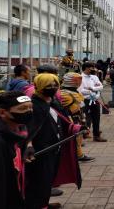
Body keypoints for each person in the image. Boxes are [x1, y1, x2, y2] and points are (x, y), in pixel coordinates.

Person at [25, 73, 83, 209]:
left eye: (55, 85)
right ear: (39, 87)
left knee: (48, 179)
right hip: (40, 151)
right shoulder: (34, 106)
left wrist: (75, 128)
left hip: (54, 148)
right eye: (48, 85)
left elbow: (61, 121)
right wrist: (29, 145)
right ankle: (38, 205)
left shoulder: (53, 102)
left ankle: (43, 203)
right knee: (39, 180)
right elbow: (29, 129)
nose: (53, 87)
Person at [60, 72, 95, 163]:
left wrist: (83, 122)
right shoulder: (64, 94)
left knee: (78, 139)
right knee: (73, 139)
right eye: (77, 80)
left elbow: (80, 107)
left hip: (77, 117)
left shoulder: (74, 92)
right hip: (71, 119)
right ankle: (75, 156)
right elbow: (64, 110)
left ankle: (79, 155)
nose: (79, 82)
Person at [79, 62, 107, 142]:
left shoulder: (94, 77)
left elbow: (101, 87)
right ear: (86, 68)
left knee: (96, 118)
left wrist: (92, 89)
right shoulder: (80, 77)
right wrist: (92, 90)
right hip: (85, 100)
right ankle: (82, 135)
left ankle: (96, 135)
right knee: (84, 118)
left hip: (95, 100)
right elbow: (81, 90)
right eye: (91, 68)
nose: (93, 69)